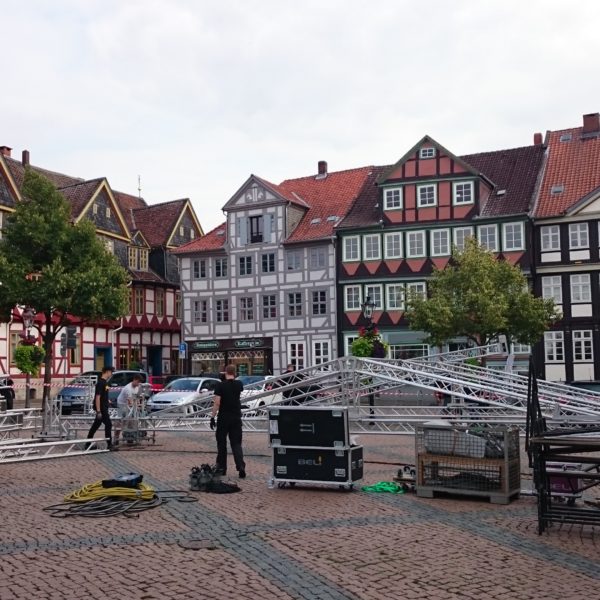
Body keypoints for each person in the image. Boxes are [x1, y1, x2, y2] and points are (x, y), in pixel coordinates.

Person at [210, 364, 246, 478]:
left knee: (222, 443)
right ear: (235, 373)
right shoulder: (239, 384)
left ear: (225, 372)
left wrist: (212, 416)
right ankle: (240, 466)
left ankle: (221, 468)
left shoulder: (220, 385)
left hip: (224, 417)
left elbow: (217, 402)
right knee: (236, 443)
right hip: (236, 417)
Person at [87, 366, 114, 449]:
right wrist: (98, 411)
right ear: (107, 372)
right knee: (108, 424)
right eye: (111, 372)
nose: (111, 374)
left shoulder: (105, 383)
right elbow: (97, 397)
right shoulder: (100, 383)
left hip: (104, 406)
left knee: (96, 425)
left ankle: (88, 443)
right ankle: (109, 444)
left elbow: (103, 395)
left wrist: (108, 401)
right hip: (101, 408)